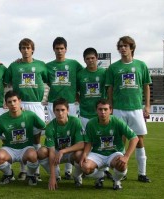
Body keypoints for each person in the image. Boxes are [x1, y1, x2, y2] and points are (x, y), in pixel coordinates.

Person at [106, 36, 152, 182]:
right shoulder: (113, 68)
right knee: (119, 140)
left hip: (136, 108)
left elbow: (146, 87)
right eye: (120, 46)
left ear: (132, 48)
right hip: (119, 108)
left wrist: (147, 106)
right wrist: (110, 105)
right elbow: (110, 89)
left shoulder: (141, 65)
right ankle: (121, 171)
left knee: (139, 140)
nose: (123, 48)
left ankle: (142, 173)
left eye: (125, 46)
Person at [5, 38, 47, 180]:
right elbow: (4, 80)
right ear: (20, 50)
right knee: (21, 137)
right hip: (20, 105)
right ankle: (23, 170)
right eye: (23, 48)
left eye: (28, 47)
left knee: (36, 138)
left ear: (32, 49)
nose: (26, 50)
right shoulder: (14, 66)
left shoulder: (41, 65)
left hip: (36, 104)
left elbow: (49, 80)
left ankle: (35, 169)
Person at [0, 91, 46, 186]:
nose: (13, 104)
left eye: (15, 101)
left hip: (26, 148)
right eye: (9, 102)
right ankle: (8, 174)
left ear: (20, 101)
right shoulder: (2, 119)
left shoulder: (30, 115)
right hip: (10, 148)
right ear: (6, 104)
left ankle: (30, 175)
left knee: (33, 155)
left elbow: (44, 126)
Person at [80, 99, 139, 190]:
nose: (103, 112)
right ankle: (100, 176)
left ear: (110, 110)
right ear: (96, 110)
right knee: (85, 167)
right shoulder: (91, 123)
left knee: (122, 165)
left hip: (114, 153)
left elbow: (134, 138)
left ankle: (116, 180)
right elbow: (89, 142)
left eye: (105, 109)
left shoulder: (117, 121)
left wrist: (126, 156)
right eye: (100, 109)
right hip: (97, 153)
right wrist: (84, 154)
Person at [46, 37, 83, 179]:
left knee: (70, 135)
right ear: (53, 49)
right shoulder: (47, 66)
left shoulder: (74, 64)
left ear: (66, 49)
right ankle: (55, 170)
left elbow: (84, 75)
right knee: (56, 135)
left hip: (71, 104)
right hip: (52, 104)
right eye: (57, 48)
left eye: (62, 48)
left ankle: (68, 170)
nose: (60, 51)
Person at [76, 47, 112, 180]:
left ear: (97, 58)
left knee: (102, 140)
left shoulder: (104, 73)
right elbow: (76, 92)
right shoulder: (80, 74)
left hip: (100, 114)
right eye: (87, 58)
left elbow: (109, 90)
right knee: (87, 142)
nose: (90, 61)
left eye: (92, 58)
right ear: (84, 60)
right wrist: (82, 102)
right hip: (85, 114)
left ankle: (105, 168)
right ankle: (89, 166)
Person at [37, 98, 85, 190]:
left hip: (70, 153)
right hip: (56, 153)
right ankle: (56, 174)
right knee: (41, 152)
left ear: (68, 110)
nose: (60, 113)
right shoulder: (50, 127)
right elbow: (51, 152)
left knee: (80, 154)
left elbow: (81, 144)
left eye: (63, 110)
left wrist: (63, 151)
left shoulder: (75, 122)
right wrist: (52, 176)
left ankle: (77, 176)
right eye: (57, 110)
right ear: (53, 111)